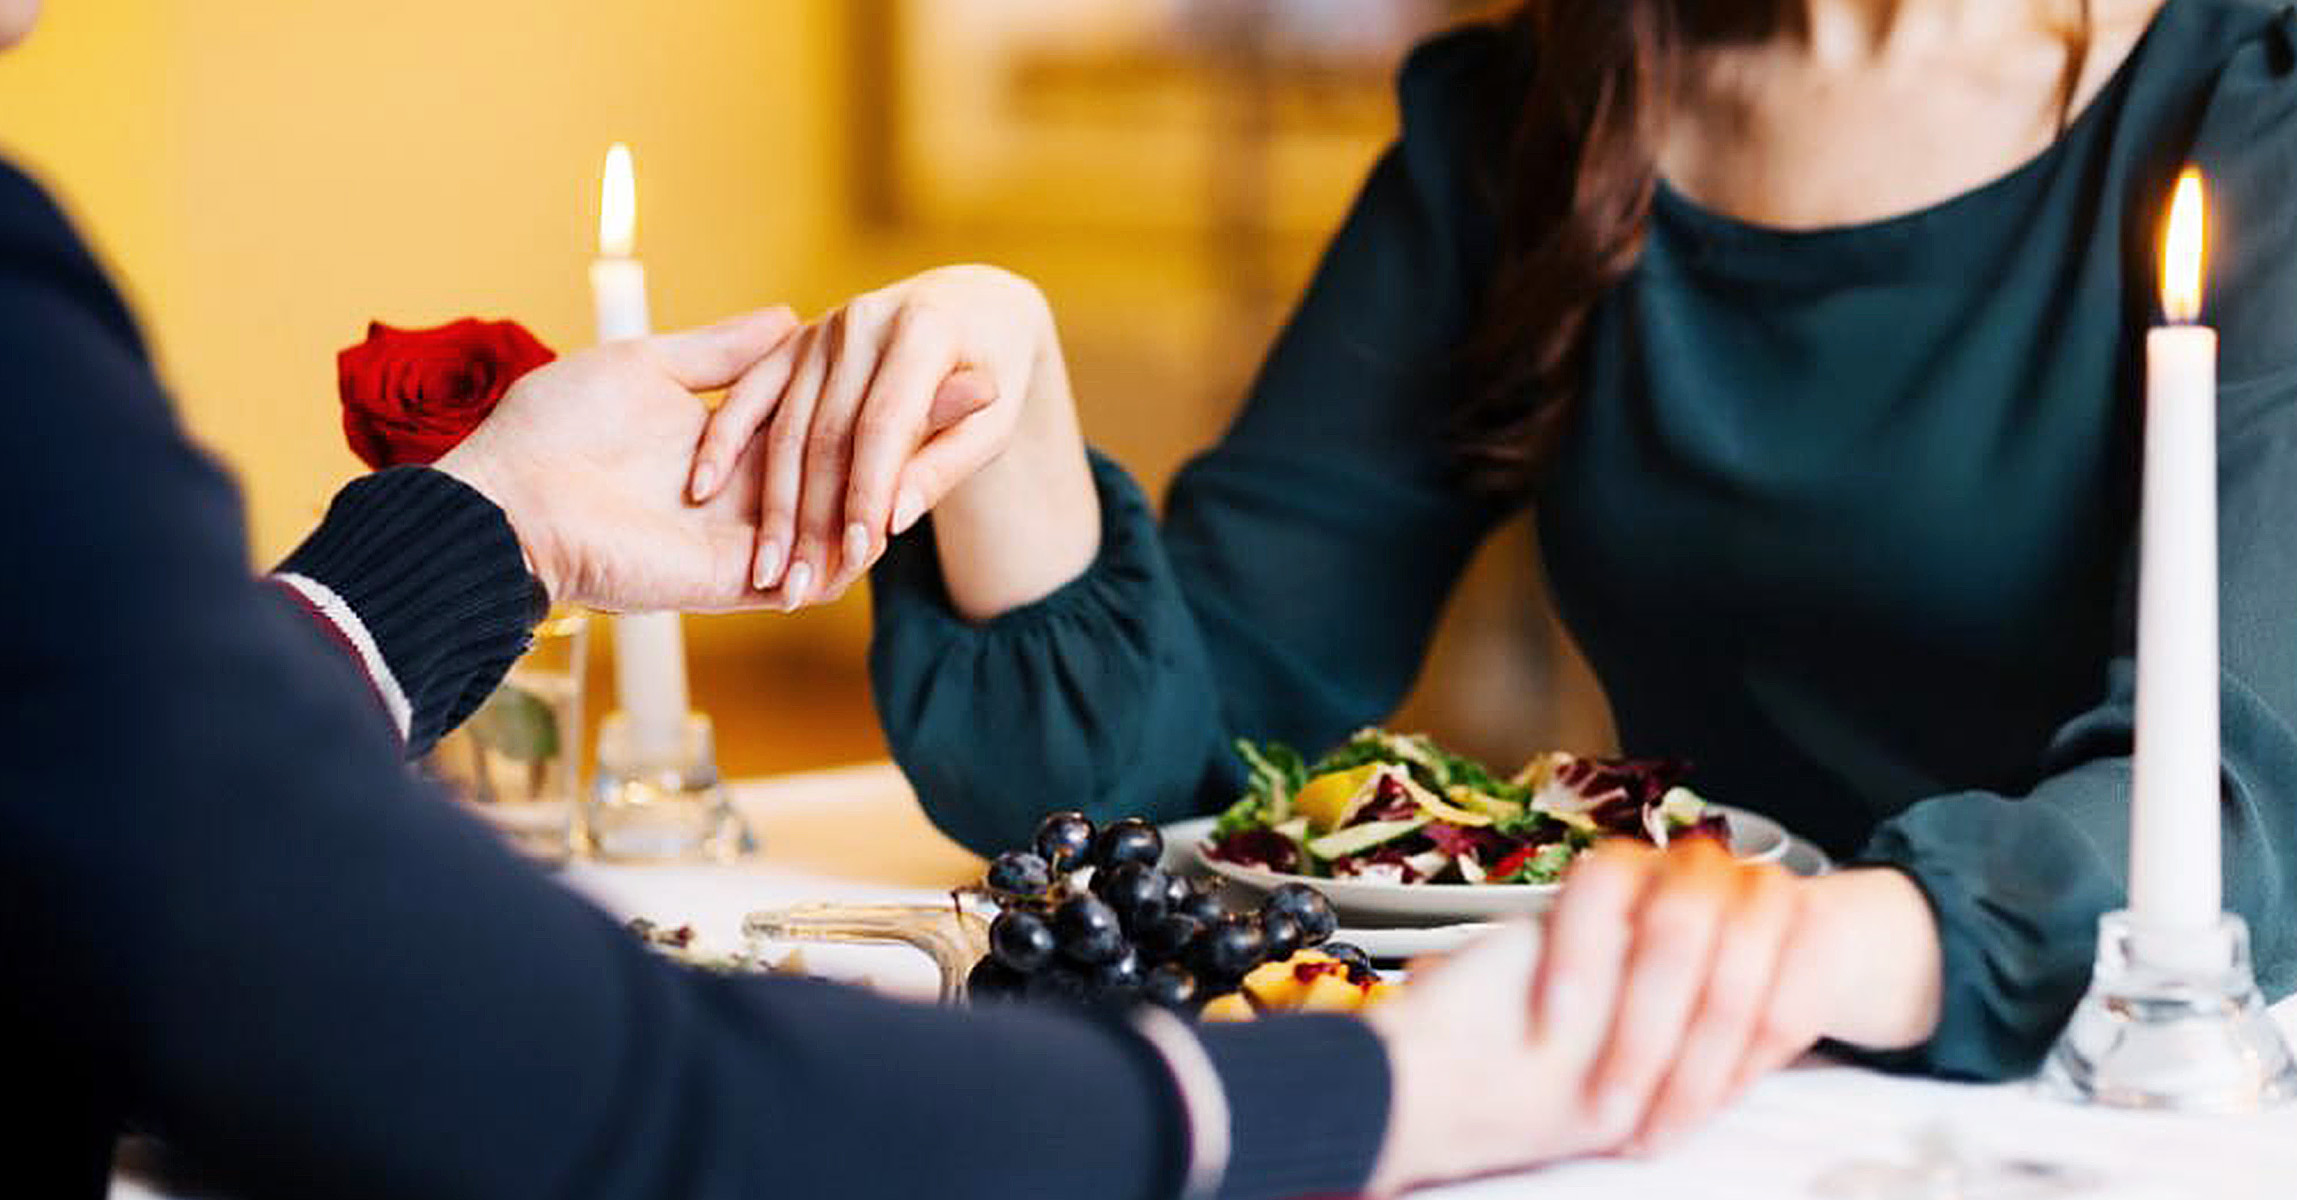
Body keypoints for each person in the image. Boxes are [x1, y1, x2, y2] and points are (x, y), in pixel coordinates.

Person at [0, 3, 1675, 1197]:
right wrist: (1350, 1096)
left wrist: (489, 526)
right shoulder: (1511, 129)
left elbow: (97, 813)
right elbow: (550, 1081)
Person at [697, 0, 2297, 1154]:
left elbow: (2234, 818)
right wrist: (1007, 407)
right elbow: (1134, 787)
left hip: (2078, 1110)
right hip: (1657, 1097)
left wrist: (1797, 953)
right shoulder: (1536, 111)